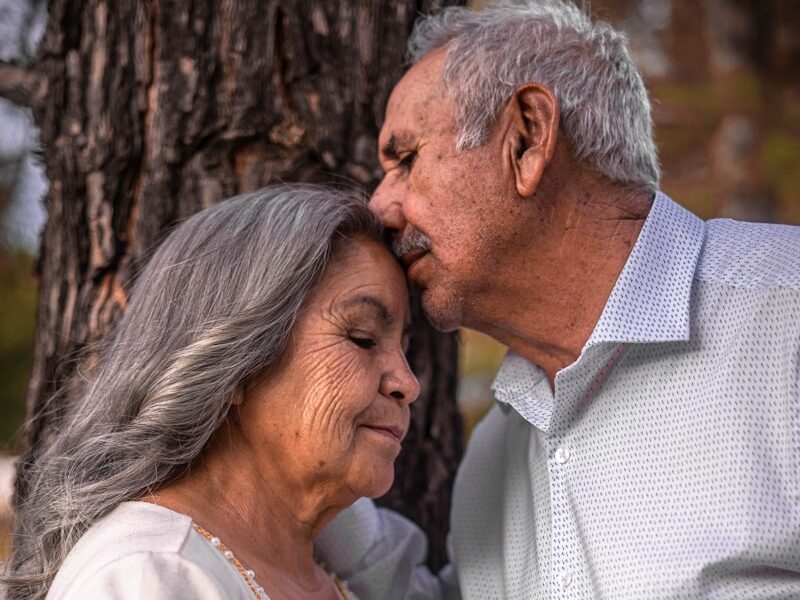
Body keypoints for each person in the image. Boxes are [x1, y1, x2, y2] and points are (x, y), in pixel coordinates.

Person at [315, 1, 800, 598]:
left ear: (526, 138)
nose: (380, 208)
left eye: (406, 159)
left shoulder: (786, 322)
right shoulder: (498, 450)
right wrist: (301, 462)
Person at [4, 185, 420, 600]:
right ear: (236, 365)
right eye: (363, 338)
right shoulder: (150, 575)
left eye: (404, 349)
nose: (408, 383)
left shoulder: (333, 582)